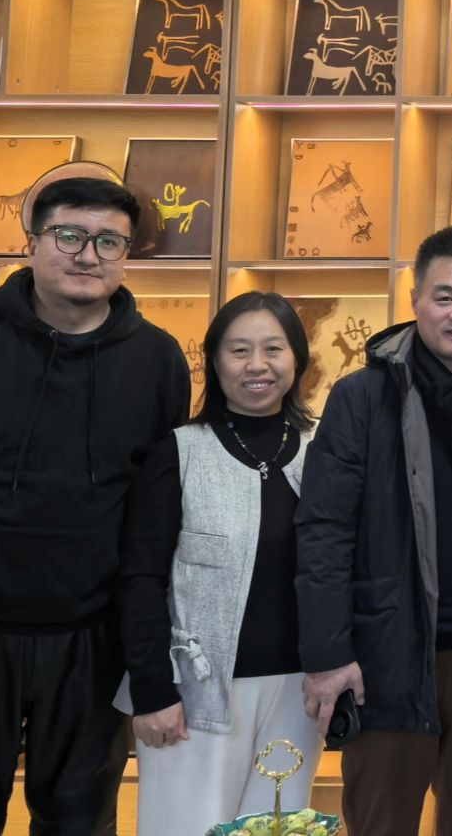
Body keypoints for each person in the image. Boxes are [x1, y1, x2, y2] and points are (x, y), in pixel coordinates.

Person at [0, 177, 191, 834]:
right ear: (32, 242)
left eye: (109, 241)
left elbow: (156, 500)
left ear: (126, 254)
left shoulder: (157, 359)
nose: (88, 255)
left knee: (80, 818)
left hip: (91, 635)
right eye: (69, 235)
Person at [296, 226, 452, 834]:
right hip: (385, 652)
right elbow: (324, 530)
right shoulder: (362, 396)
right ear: (415, 299)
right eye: (444, 297)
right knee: (379, 821)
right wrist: (329, 654)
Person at [119, 291, 323, 836]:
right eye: (239, 350)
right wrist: (152, 689)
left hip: (298, 692)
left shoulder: (323, 447)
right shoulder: (181, 451)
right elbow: (141, 579)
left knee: (280, 827)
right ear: (213, 361)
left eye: (273, 349)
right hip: (193, 695)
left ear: (297, 358)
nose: (257, 365)